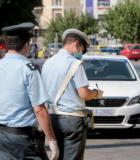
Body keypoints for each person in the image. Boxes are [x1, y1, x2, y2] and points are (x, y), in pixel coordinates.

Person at [0, 22, 59, 160]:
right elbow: (39, 110)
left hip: (1, 136)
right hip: (23, 139)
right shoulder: (28, 69)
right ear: (26, 45)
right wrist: (52, 141)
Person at [42, 28, 104, 160]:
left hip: (52, 118)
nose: (81, 53)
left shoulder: (47, 63)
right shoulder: (75, 64)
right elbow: (84, 94)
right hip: (72, 121)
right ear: (76, 44)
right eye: (82, 50)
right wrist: (97, 93)